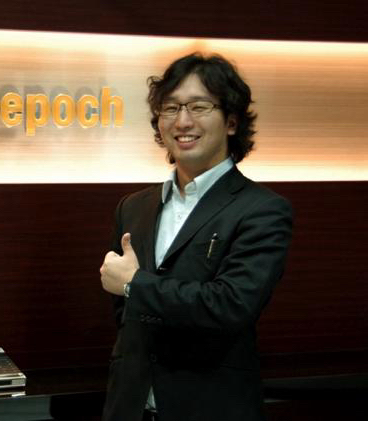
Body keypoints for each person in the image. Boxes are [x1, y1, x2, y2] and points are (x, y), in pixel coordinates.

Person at [99, 53, 293, 421]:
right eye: (170, 108)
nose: (183, 121)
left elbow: (231, 306)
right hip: (130, 408)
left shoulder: (262, 209)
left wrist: (135, 284)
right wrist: (132, 290)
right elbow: (126, 315)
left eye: (199, 106)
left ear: (231, 121)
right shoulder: (133, 207)